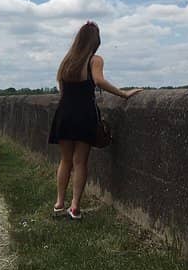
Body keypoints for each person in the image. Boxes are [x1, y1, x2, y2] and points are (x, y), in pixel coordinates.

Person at [48, 21, 141, 220]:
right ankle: (74, 207)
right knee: (80, 162)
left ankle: (59, 203)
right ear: (95, 41)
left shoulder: (67, 61)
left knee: (65, 161)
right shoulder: (94, 60)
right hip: (84, 114)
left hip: (64, 113)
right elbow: (98, 81)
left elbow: (62, 90)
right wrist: (123, 94)